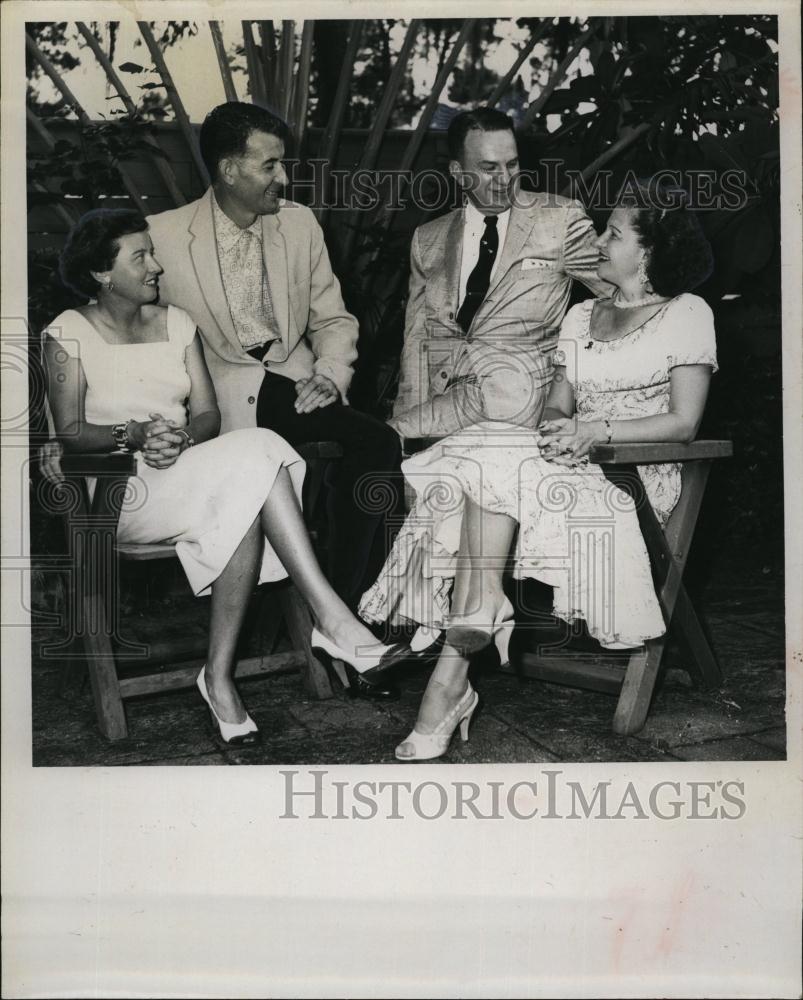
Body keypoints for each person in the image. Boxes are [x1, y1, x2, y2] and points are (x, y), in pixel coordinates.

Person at [361, 181, 717, 760]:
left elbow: (683, 422)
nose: (599, 241)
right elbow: (557, 403)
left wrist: (594, 433)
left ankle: (454, 671)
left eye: (614, 233)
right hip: (568, 462)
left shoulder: (686, 313)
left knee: (488, 461)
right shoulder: (581, 316)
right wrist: (558, 428)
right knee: (485, 450)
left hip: (636, 474)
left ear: (648, 252)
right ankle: (474, 620)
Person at [44, 208, 409, 747]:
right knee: (251, 478)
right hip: (113, 491)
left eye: (153, 252)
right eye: (139, 256)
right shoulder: (68, 332)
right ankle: (333, 624)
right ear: (102, 273)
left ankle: (224, 677)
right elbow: (71, 432)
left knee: (255, 455)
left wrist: (180, 439)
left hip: (181, 472)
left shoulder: (177, 324)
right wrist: (135, 435)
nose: (155, 266)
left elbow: (209, 416)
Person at [145, 102, 401, 628]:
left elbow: (333, 319)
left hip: (294, 384)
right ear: (228, 169)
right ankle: (329, 615)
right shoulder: (162, 237)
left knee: (374, 442)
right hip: (216, 402)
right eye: (270, 166)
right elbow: (137, 335)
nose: (283, 178)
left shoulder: (299, 225)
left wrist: (329, 376)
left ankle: (347, 611)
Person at [389, 107, 611, 442]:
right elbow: (417, 341)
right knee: (384, 445)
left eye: (512, 164)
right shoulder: (428, 240)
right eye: (489, 168)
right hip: (444, 406)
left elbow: (621, 293)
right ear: (459, 173)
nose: (504, 179)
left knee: (376, 443)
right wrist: (407, 423)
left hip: (523, 403)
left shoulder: (560, 219)